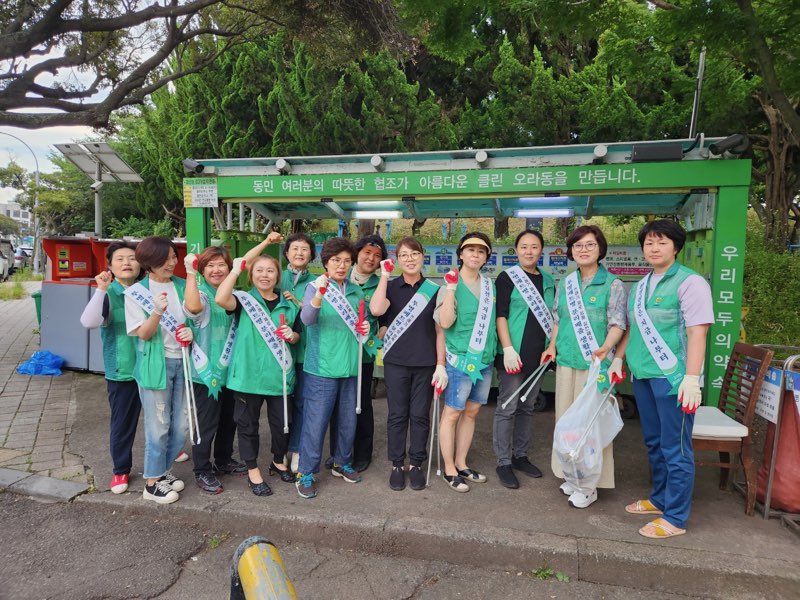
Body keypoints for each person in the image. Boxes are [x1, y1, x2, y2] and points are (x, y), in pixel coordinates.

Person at [614, 219, 713, 538]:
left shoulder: (690, 282)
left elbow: (698, 332)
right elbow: (633, 328)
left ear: (676, 246)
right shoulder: (643, 284)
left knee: (676, 448)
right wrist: (618, 358)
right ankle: (660, 498)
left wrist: (691, 378)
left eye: (662, 242)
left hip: (674, 380)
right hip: (643, 376)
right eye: (649, 243)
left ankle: (676, 517)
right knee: (654, 443)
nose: (654, 248)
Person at [544, 225, 627, 509]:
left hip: (596, 365)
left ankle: (590, 484)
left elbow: (618, 323)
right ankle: (571, 473)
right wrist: (552, 345)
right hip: (567, 360)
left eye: (589, 245)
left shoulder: (613, 284)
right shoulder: (567, 282)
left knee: (590, 426)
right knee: (566, 422)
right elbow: (558, 318)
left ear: (600, 249)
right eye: (578, 246)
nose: (583, 250)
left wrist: (606, 348)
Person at [215, 234, 300, 497]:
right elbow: (220, 298)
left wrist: (291, 336)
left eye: (271, 271)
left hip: (279, 378)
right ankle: (253, 470)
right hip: (247, 377)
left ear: (278, 275)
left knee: (281, 424)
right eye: (259, 271)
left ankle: (277, 460)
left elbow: (298, 337)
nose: (265, 275)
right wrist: (237, 268)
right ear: (251, 276)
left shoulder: (290, 304)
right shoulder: (242, 300)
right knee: (248, 425)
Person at [369, 237, 448, 491]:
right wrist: (384, 275)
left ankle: (416, 464)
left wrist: (440, 363)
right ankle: (396, 464)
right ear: (397, 259)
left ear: (423, 256)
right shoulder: (391, 287)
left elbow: (440, 331)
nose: (410, 259)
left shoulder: (435, 290)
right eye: (404, 255)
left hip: (426, 363)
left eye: (414, 254)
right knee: (397, 415)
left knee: (420, 416)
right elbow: (377, 310)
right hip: (396, 363)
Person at [295, 237, 370, 499]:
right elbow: (307, 319)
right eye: (336, 260)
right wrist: (319, 295)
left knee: (348, 421)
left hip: (350, 366)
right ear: (326, 262)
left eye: (347, 261)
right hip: (321, 368)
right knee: (316, 423)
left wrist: (366, 328)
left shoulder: (356, 290)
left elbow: (364, 323)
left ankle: (341, 462)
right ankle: (305, 472)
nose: (341, 265)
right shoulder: (314, 286)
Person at [124, 236, 193, 504]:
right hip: (156, 364)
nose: (172, 263)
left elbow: (196, 318)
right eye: (165, 259)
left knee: (180, 425)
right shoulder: (136, 292)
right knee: (158, 426)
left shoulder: (183, 285)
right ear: (149, 263)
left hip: (183, 361)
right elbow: (142, 334)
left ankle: (163, 472)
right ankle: (151, 483)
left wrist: (191, 331)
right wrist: (156, 312)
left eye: (174, 257)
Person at [434, 232, 497, 493]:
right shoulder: (449, 284)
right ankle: (449, 467)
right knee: (452, 413)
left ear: (486, 258)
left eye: (481, 251)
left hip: (484, 360)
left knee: (471, 412)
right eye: (470, 250)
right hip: (459, 360)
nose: (475, 255)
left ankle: (462, 462)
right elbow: (445, 323)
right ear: (460, 254)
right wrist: (450, 290)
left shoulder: (490, 286)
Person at [182, 245, 246, 495]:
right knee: (205, 423)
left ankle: (223, 459)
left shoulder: (235, 294)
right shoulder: (199, 293)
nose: (217, 270)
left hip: (231, 370)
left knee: (230, 420)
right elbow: (194, 308)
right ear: (202, 270)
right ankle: (201, 469)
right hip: (205, 372)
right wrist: (190, 273)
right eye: (210, 265)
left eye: (221, 265)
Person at [493, 230, 555, 489]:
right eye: (524, 247)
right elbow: (501, 316)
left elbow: (555, 317)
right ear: (516, 250)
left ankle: (520, 456)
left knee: (527, 408)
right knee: (507, 407)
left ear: (541, 250)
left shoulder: (549, 280)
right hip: (513, 355)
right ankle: (503, 462)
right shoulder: (507, 277)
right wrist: (507, 349)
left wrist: (551, 347)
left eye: (534, 247)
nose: (529, 251)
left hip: (538, 355)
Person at [80, 241, 141, 495]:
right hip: (123, 370)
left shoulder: (147, 290)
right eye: (120, 259)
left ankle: (169, 453)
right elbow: (89, 321)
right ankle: (120, 469)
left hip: (154, 367)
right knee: (123, 423)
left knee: (164, 417)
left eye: (132, 258)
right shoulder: (108, 293)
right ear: (110, 266)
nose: (127, 263)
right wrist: (101, 290)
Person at [326, 234, 384, 472]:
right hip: (336, 354)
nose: (371, 258)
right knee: (335, 405)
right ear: (356, 254)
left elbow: (385, 320)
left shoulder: (381, 284)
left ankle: (361, 453)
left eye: (377, 256)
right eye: (367, 253)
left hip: (363, 355)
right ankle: (338, 453)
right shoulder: (338, 277)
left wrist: (376, 339)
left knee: (361, 405)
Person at [280, 233, 317, 473]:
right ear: (286, 253)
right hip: (278, 353)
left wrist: (301, 305)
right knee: (279, 404)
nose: (300, 253)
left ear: (312, 255)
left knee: (302, 403)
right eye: (295, 249)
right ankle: (279, 449)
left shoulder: (318, 282)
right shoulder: (275, 275)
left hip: (305, 352)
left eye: (305, 249)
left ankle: (296, 449)